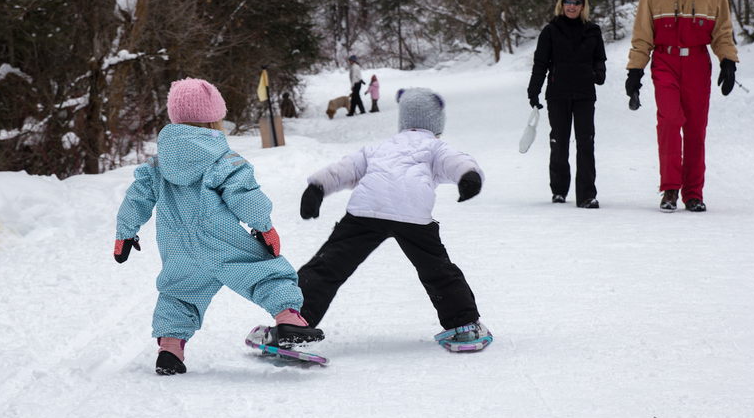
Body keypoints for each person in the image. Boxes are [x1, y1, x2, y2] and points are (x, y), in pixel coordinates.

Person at [114, 78, 323, 376]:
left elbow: (136, 199)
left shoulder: (157, 165)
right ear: (215, 119)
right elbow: (245, 196)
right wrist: (264, 228)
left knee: (179, 293)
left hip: (178, 247)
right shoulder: (224, 160)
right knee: (265, 272)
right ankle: (288, 317)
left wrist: (125, 233)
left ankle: (170, 349)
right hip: (221, 240)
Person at [296, 87, 492, 351]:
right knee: (437, 270)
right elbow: (456, 161)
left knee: (328, 266)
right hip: (412, 212)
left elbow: (345, 168)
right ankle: (464, 324)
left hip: (367, 208)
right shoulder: (435, 146)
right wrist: (469, 177)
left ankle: (295, 320)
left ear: (403, 121)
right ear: (436, 125)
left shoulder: (380, 147)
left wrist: (317, 188)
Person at [625, 0, 739, 212]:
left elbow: (723, 32)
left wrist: (728, 61)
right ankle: (670, 189)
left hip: (698, 63)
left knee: (695, 128)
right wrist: (635, 71)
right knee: (669, 121)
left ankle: (693, 193)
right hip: (665, 61)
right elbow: (642, 36)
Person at [527, 0, 607, 209]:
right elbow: (540, 64)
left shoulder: (592, 30)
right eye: (568, 2)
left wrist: (598, 74)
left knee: (585, 142)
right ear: (561, 4)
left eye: (576, 3)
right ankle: (559, 190)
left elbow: (599, 58)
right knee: (559, 142)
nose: (572, 6)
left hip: (584, 94)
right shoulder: (550, 30)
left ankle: (586, 195)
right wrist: (534, 91)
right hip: (558, 94)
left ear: (583, 6)